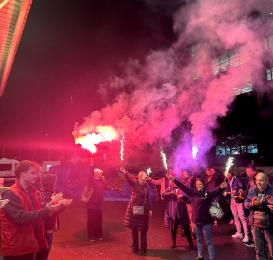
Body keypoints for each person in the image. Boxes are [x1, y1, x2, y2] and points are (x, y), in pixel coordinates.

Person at [0, 160, 64, 260]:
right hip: (17, 247)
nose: (36, 176)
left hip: (32, 244)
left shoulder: (33, 192)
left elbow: (38, 214)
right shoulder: (9, 194)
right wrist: (46, 210)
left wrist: (57, 206)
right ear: (22, 174)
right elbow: (20, 218)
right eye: (33, 173)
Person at [167, 173, 227, 260]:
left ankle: (211, 258)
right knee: (199, 240)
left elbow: (215, 190)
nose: (198, 186)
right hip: (197, 222)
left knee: (209, 241)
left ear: (203, 185)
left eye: (200, 184)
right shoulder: (193, 193)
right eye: (197, 184)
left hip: (206, 222)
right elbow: (183, 187)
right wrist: (174, 180)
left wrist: (221, 187)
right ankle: (200, 256)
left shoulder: (207, 194)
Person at [120, 168, 154, 255]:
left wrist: (150, 209)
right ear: (140, 178)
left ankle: (143, 248)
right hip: (135, 210)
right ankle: (135, 247)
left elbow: (148, 198)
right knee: (134, 229)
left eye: (146, 178)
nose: (145, 180)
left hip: (144, 211)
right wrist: (125, 173)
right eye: (144, 178)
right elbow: (129, 179)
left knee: (143, 230)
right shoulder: (135, 184)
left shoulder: (146, 186)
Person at [244, 172, 273, 260]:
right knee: (259, 252)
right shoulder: (252, 191)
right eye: (257, 180)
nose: (258, 183)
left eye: (261, 180)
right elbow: (245, 204)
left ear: (267, 181)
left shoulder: (272, 191)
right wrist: (252, 203)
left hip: (270, 226)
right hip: (255, 226)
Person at [162, 178, 195, 249]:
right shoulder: (169, 188)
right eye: (172, 182)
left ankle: (191, 244)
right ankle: (173, 243)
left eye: (174, 182)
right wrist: (171, 193)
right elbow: (163, 194)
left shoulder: (182, 189)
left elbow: (189, 199)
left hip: (182, 211)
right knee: (173, 227)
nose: (173, 183)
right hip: (173, 211)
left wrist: (183, 197)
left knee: (186, 227)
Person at [224, 170, 250, 243]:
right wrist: (226, 192)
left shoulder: (237, 180)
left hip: (238, 201)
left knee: (242, 217)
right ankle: (239, 233)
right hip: (232, 201)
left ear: (231, 173)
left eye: (228, 174)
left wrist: (229, 192)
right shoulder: (228, 182)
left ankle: (246, 235)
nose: (227, 175)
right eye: (226, 174)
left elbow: (241, 188)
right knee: (235, 216)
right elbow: (227, 190)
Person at [81, 168, 106, 242]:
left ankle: (97, 235)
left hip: (97, 204)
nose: (101, 175)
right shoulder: (91, 182)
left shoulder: (100, 182)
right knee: (92, 221)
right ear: (97, 174)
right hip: (92, 204)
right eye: (100, 173)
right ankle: (92, 236)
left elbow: (105, 187)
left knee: (98, 221)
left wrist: (103, 180)